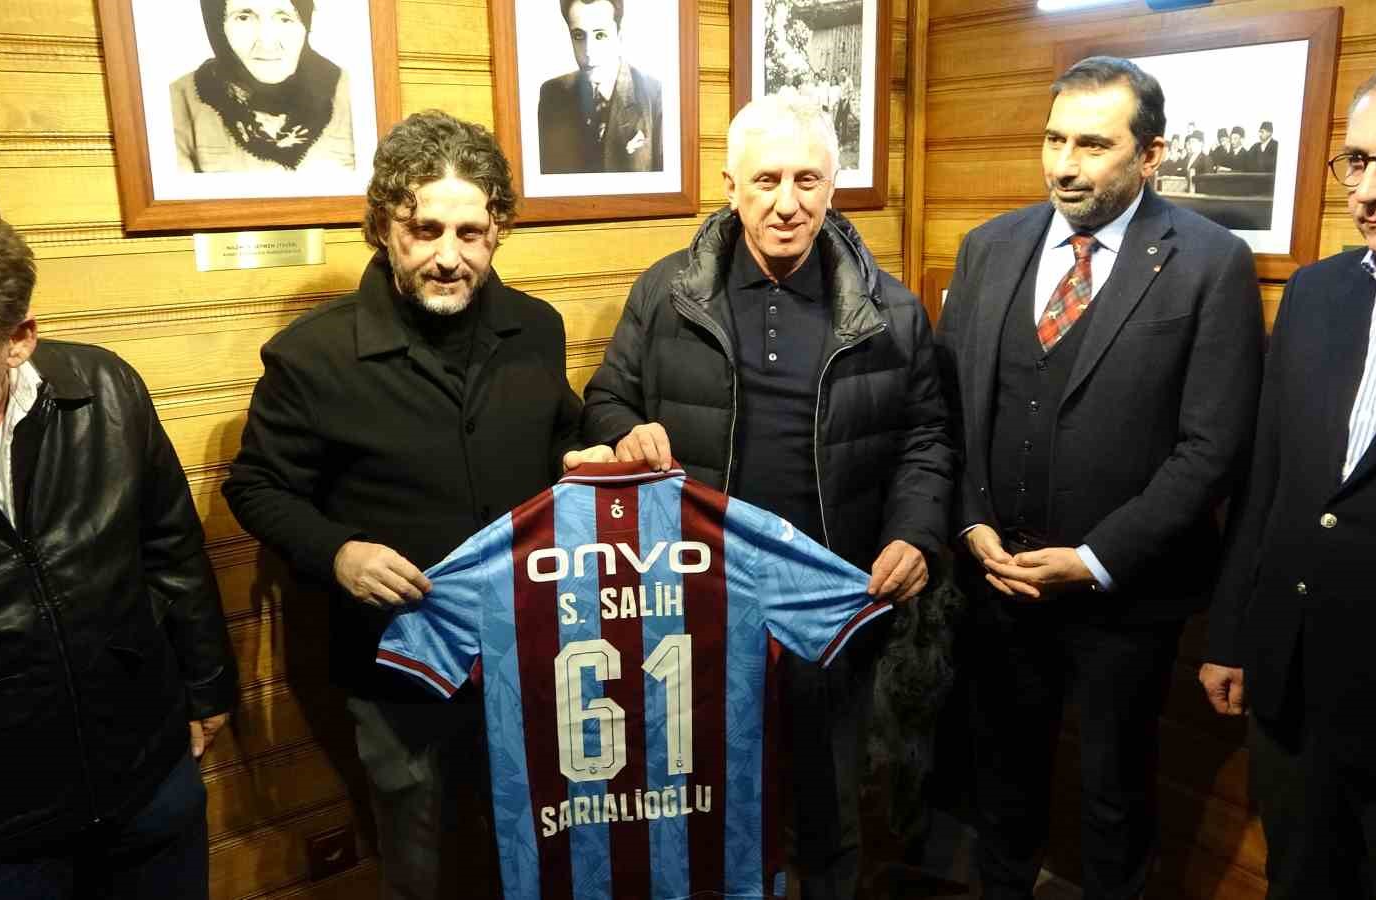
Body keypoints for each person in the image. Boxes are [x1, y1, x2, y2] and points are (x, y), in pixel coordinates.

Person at [222, 110, 608, 899]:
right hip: (398, 663)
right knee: (421, 862)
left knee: (542, 848)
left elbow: (560, 433)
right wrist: (339, 553)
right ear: (382, 227)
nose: (448, 256)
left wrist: (590, 455)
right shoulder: (312, 355)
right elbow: (256, 486)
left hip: (531, 650)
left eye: (471, 233)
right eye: (424, 230)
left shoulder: (536, 328)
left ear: (499, 229)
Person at [580, 93, 953, 899]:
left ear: (832, 187)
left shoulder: (892, 309)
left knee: (828, 809)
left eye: (807, 180)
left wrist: (915, 534)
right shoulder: (666, 293)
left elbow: (926, 436)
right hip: (696, 603)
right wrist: (625, 432)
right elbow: (605, 396)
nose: (787, 203)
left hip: (831, 600)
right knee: (706, 798)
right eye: (767, 180)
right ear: (731, 186)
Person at [936, 56, 1263, 900]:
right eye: (1054, 140)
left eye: (1092, 144)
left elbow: (1212, 448)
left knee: (1115, 795)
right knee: (1001, 782)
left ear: (1151, 155)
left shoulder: (1210, 263)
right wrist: (970, 523)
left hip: (1125, 597)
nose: (1065, 165)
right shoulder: (988, 248)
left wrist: (1093, 559)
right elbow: (950, 408)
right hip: (999, 579)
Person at [0, 195, 237, 898]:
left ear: (18, 339)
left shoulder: (104, 387)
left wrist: (207, 686)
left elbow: (169, 546)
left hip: (147, 781)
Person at [1201, 44, 1376, 898]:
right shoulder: (1318, 293)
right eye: (1357, 161)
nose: (1368, 188)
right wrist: (1233, 635)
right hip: (1294, 701)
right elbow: (1270, 480)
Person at [171, 0, 356, 173]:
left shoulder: (354, 94)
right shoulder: (178, 102)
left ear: (305, 23)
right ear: (217, 25)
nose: (267, 44)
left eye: (285, 18)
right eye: (244, 18)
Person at [537, 0, 662, 174]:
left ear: (619, 36)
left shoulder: (654, 94)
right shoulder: (552, 94)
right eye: (579, 36)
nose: (589, 52)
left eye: (600, 35)